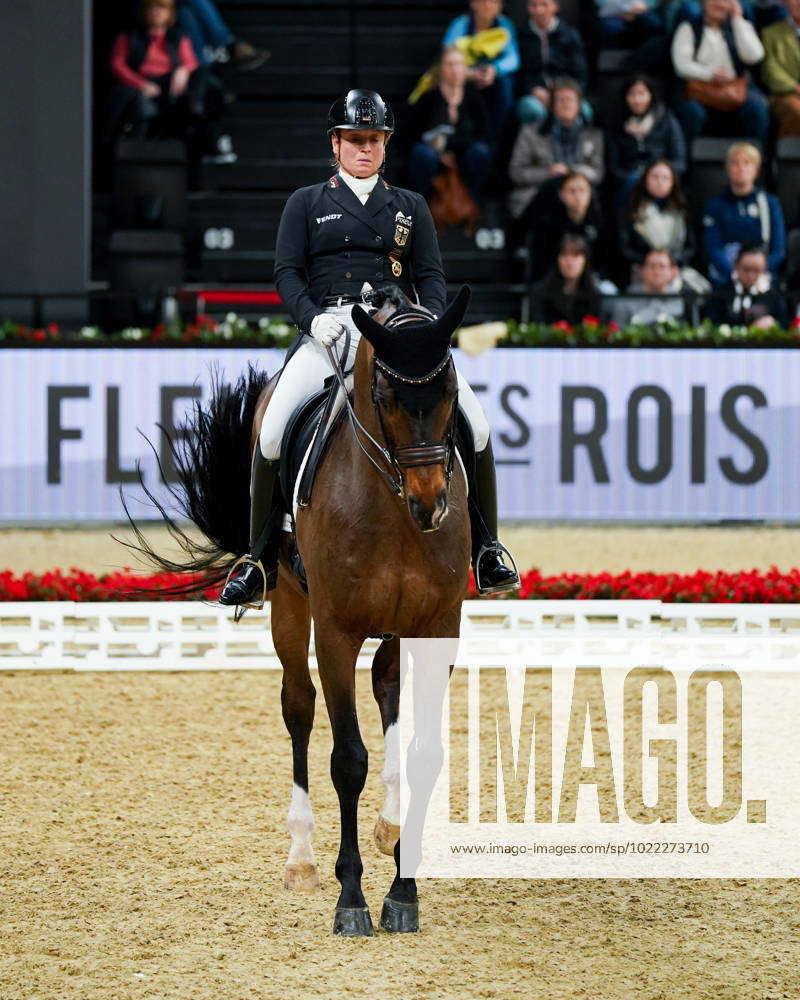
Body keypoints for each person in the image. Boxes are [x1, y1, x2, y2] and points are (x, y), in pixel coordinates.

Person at [218, 89, 519, 606]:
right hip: (329, 330)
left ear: (385, 146)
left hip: (399, 333)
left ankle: (486, 551)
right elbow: (287, 273)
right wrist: (312, 321)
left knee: (478, 424)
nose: (364, 149)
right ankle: (259, 559)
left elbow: (431, 276)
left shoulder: (410, 206)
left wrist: (425, 325)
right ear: (335, 144)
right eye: (355, 140)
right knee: (271, 431)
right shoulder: (306, 202)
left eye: (374, 140)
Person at [108, 0, 213, 150]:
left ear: (169, 13)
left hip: (170, 84)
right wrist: (140, 84)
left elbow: (191, 62)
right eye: (151, 8)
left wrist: (183, 70)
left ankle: (195, 110)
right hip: (143, 83)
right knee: (132, 99)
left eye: (161, 8)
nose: (156, 12)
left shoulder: (177, 36)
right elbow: (117, 65)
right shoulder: (130, 36)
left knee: (202, 73)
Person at [671, 0, 768, 147]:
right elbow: (682, 65)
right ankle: (685, 166)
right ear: (704, 4)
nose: (720, 5)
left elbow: (755, 55)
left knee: (756, 109)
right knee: (690, 112)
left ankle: (756, 163)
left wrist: (737, 19)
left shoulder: (740, 26)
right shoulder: (689, 27)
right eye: (714, 2)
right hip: (700, 90)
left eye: (725, 1)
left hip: (735, 90)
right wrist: (709, 74)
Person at [508, 77, 604, 220]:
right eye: (561, 100)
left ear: (579, 105)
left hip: (579, 193)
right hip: (540, 191)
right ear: (552, 106)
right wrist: (548, 173)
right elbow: (516, 172)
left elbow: (597, 172)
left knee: (584, 196)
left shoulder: (593, 134)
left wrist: (571, 171)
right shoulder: (531, 132)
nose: (566, 104)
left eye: (570, 100)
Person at [406, 47, 492, 201]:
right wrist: (440, 154)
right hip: (433, 157)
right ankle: (423, 207)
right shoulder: (428, 99)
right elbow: (411, 135)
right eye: (449, 64)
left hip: (465, 157)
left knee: (481, 152)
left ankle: (472, 206)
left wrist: (453, 151)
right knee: (423, 154)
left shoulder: (474, 99)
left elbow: (483, 134)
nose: (455, 69)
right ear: (440, 68)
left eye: (459, 64)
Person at [702, 141, 786, 284]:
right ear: (728, 169)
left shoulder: (769, 203)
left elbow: (778, 249)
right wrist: (735, 274)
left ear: (756, 170)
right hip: (728, 274)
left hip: (762, 273)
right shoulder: (716, 205)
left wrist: (758, 272)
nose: (741, 168)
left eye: (747, 163)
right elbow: (713, 247)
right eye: (735, 163)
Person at [442, 0, 521, 135]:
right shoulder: (461, 24)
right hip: (465, 77)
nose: (488, 5)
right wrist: (468, 73)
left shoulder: (504, 24)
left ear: (500, 6)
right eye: (483, 1)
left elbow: (513, 59)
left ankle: (497, 139)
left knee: (505, 85)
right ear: (473, 4)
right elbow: (447, 55)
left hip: (493, 79)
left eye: (493, 2)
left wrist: (494, 70)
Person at [606, 77, 687, 205]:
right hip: (628, 183)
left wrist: (656, 175)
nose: (637, 100)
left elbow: (680, 162)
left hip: (661, 180)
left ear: (651, 96)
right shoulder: (615, 124)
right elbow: (614, 168)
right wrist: (639, 180)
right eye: (632, 94)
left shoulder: (667, 121)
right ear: (625, 97)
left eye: (642, 94)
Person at [515, 0, 589, 124]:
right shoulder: (521, 35)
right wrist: (532, 90)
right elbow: (518, 72)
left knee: (584, 111)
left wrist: (563, 93)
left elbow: (580, 71)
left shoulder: (570, 35)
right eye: (534, 5)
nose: (539, 10)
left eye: (544, 4)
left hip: (566, 91)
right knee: (530, 109)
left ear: (555, 6)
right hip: (535, 94)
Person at [525, 171, 606, 281]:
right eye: (572, 191)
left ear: (590, 193)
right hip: (552, 281)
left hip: (591, 280)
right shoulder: (547, 224)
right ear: (561, 194)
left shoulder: (599, 221)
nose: (578, 196)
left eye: (582, 190)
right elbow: (540, 261)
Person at [620, 159, 696, 271]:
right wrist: (652, 262)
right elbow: (625, 249)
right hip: (641, 269)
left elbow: (691, 248)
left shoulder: (682, 210)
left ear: (672, 183)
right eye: (654, 177)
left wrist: (672, 262)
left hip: (675, 269)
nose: (660, 182)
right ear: (645, 180)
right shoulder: (632, 209)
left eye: (665, 178)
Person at [703, 244, 790, 325]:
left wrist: (773, 323)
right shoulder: (720, 294)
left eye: (756, 270)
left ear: (764, 269)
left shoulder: (772, 297)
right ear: (736, 266)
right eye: (746, 269)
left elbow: (784, 325)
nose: (750, 276)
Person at [529, 235, 602, 324]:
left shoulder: (593, 294)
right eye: (564, 254)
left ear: (585, 260)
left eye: (575, 255)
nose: (569, 262)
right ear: (557, 259)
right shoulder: (540, 292)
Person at [176, 0, 269, 70]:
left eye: (248, 52)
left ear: (240, 57)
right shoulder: (226, 41)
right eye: (251, 49)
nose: (247, 47)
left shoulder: (220, 45)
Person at [608, 249, 691, 325]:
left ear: (673, 272)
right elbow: (616, 334)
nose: (656, 271)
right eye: (651, 266)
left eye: (662, 266)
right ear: (642, 270)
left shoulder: (678, 299)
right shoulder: (624, 301)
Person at [760, 0, 800, 137]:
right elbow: (770, 69)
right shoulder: (770, 33)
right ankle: (790, 157)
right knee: (796, 111)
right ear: (786, 3)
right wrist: (795, 87)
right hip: (786, 94)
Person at [594, 0, 664, 46]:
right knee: (612, 28)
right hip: (613, 13)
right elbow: (600, 2)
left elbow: (653, 2)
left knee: (653, 22)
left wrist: (646, 6)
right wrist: (623, 12)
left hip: (641, 10)